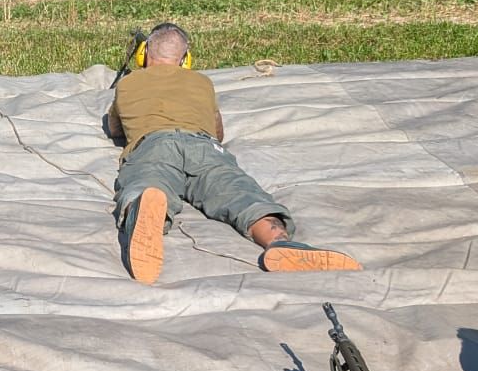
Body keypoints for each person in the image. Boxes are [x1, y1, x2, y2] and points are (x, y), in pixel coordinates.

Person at [105, 22, 358, 282]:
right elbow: (218, 132)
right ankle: (279, 242)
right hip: (204, 146)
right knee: (240, 192)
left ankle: (144, 210)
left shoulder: (129, 84)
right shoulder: (201, 82)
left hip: (154, 144)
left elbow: (115, 127)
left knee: (146, 182)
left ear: (144, 54)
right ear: (185, 60)